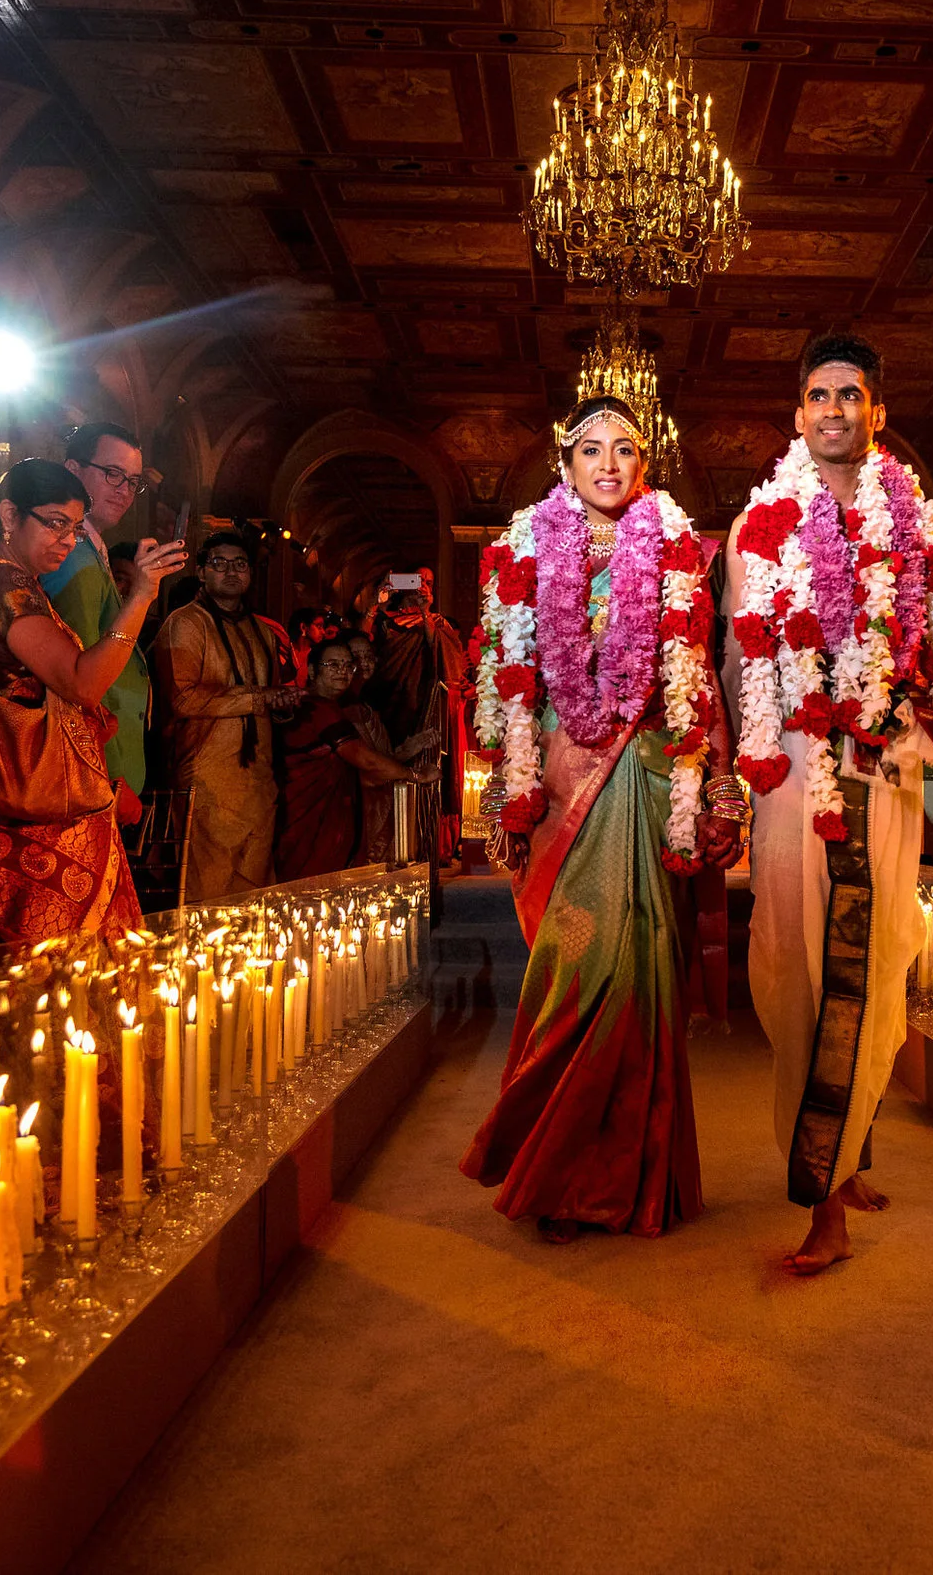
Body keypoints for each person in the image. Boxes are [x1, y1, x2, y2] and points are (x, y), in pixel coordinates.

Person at [723, 332, 933, 1274]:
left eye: (851, 396)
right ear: (799, 414)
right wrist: (735, 769)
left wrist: (920, 709)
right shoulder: (764, 525)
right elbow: (740, 666)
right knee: (801, 966)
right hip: (795, 768)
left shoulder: (920, 522)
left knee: (876, 958)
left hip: (890, 764)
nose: (834, 410)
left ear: (878, 413)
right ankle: (823, 1193)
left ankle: (848, 1156)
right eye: (818, 396)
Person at [461, 397, 739, 1240]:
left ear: (644, 464)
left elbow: (692, 667)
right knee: (574, 967)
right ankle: (559, 1170)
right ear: (565, 463)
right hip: (555, 775)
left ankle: (624, 1180)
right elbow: (507, 676)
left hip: (646, 769)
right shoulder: (520, 545)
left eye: (625, 449)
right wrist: (506, 782)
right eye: (591, 450)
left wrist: (713, 776)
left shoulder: (679, 544)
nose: (608, 464)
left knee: (638, 965)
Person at [0, 458, 186, 943]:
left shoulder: (10, 580)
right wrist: (142, 598)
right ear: (9, 517)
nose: (68, 540)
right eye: (54, 524)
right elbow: (82, 683)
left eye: (72, 528)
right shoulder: (3, 582)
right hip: (22, 804)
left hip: (24, 798)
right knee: (58, 967)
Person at [158, 533, 299, 902]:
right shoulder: (185, 623)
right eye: (219, 563)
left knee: (256, 887)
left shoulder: (263, 632)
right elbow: (183, 700)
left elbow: (268, 700)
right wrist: (258, 698)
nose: (231, 572)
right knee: (207, 889)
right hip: (208, 778)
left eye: (240, 564)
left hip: (258, 780)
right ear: (201, 572)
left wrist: (282, 704)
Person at [45, 421, 156, 815]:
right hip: (91, 772)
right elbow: (79, 679)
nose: (124, 490)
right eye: (113, 474)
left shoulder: (91, 549)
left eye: (133, 481)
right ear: (73, 470)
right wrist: (105, 776)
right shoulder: (71, 554)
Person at [276, 639, 435, 879]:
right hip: (308, 819)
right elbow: (365, 759)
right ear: (311, 670)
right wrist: (416, 775)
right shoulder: (316, 708)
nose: (342, 671)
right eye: (332, 664)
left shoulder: (332, 707)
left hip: (329, 815)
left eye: (348, 665)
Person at [363, 564, 468, 856]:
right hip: (388, 700)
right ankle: (382, 845)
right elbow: (362, 646)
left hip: (421, 703)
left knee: (424, 767)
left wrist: (425, 614)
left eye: (429, 582)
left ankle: (425, 846)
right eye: (418, 580)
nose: (423, 587)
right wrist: (375, 603)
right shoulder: (386, 620)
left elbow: (445, 660)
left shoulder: (437, 621)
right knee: (386, 764)